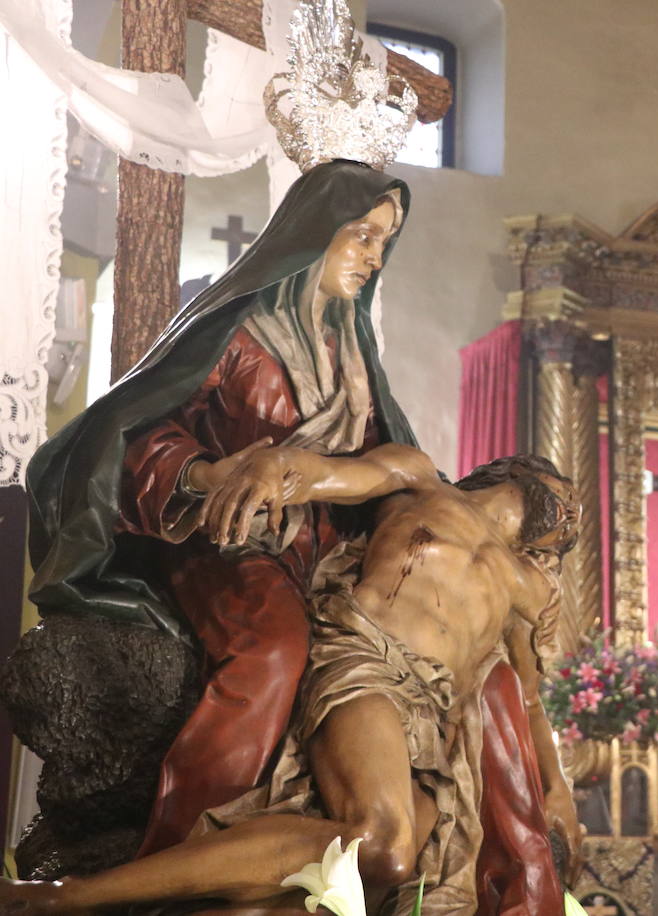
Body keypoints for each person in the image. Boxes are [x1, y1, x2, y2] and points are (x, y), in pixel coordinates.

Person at [24, 160, 420, 855]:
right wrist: (209, 473)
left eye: (384, 242)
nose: (373, 256)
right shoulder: (235, 331)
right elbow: (135, 434)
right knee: (270, 653)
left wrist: (311, 475)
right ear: (314, 233)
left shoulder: (355, 347)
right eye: (362, 236)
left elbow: (400, 462)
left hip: (333, 555)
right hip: (233, 545)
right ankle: (183, 858)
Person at [1, 448, 582, 916]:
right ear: (518, 472)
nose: (574, 514)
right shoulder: (422, 481)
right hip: (369, 663)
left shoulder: (534, 591)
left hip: (434, 725)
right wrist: (275, 474)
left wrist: (556, 789)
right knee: (382, 840)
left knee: (372, 884)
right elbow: (333, 474)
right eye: (566, 496)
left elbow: (528, 699)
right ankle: (66, 897)